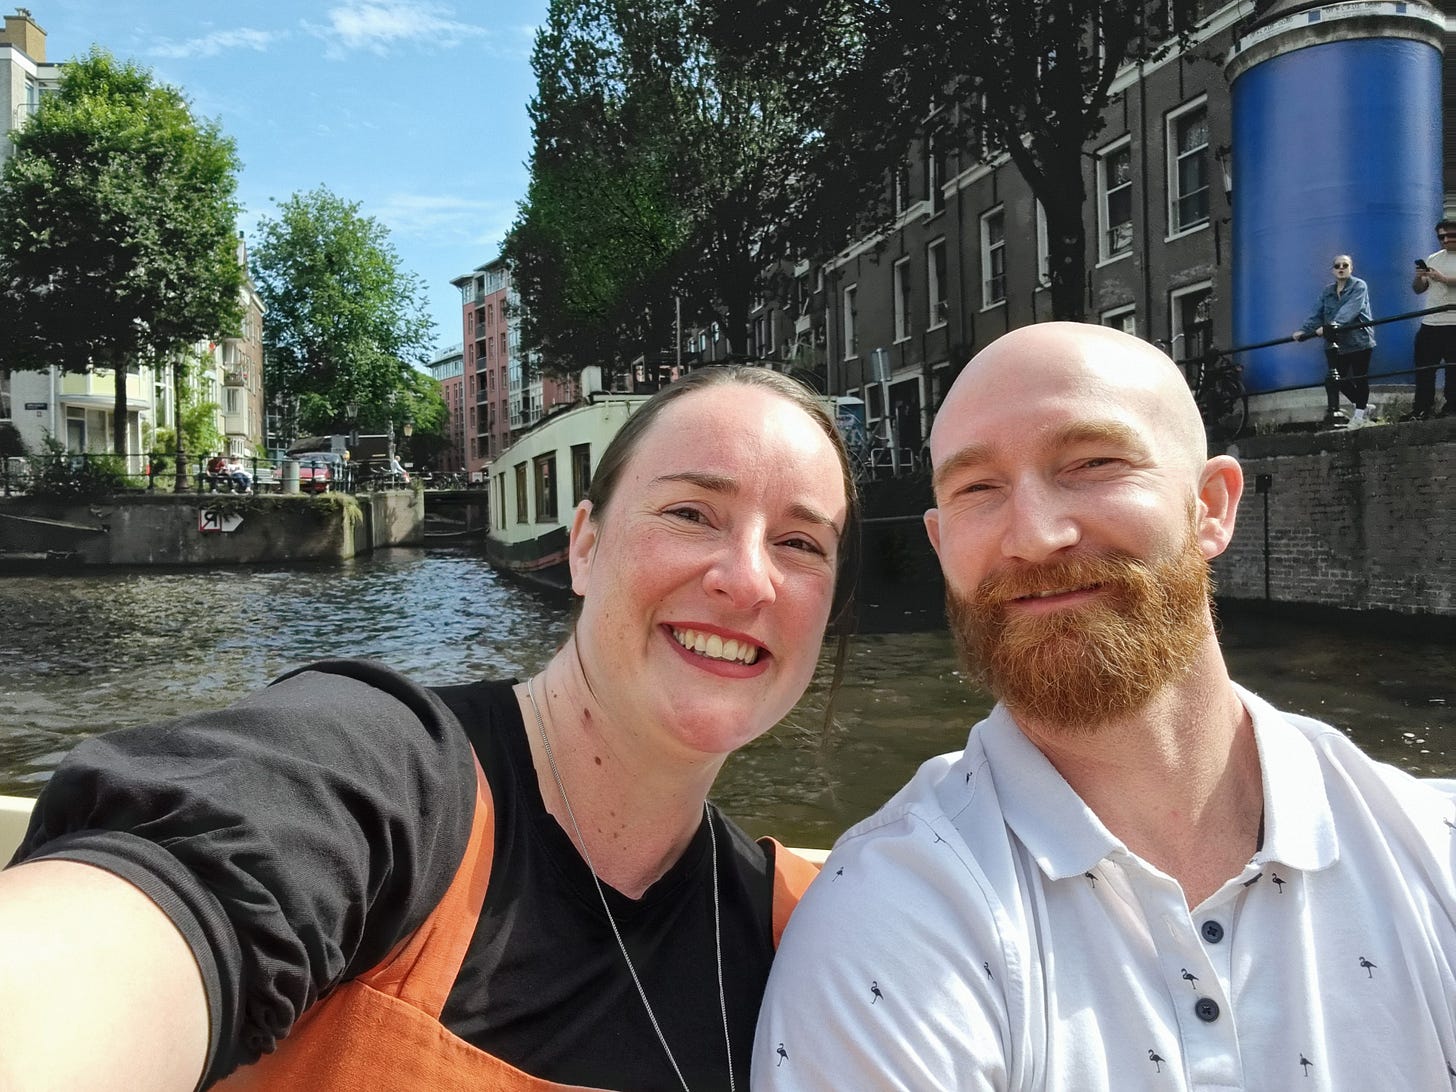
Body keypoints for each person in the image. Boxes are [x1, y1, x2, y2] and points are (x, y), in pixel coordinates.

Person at [0, 365, 859, 1091]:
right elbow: (115, 945)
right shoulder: (386, 774)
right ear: (585, 547)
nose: (749, 581)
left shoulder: (808, 932)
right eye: (690, 514)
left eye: (800, 544)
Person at [753, 323, 1456, 1090]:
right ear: (939, 542)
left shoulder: (1434, 855)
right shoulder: (887, 925)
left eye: (1092, 463)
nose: (1036, 536)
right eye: (978, 489)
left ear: (1211, 506)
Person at [1292, 253, 1376, 428]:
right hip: (1339, 343)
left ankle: (1359, 415)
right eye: (1337, 266)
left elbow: (1351, 308)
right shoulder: (1328, 291)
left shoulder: (1359, 286)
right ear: (1332, 270)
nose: (1341, 269)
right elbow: (1317, 312)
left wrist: (1332, 325)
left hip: (1359, 339)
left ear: (1351, 268)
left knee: (1360, 377)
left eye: (1345, 265)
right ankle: (1363, 406)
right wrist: (1304, 330)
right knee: (1338, 379)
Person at [1408, 218, 1456, 419]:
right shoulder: (1434, 258)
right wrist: (1420, 277)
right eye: (1441, 236)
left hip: (1454, 321)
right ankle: (1421, 408)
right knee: (1425, 368)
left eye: (1450, 235)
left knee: (1453, 371)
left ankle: (1451, 408)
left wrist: (1443, 279)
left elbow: (1443, 281)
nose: (1445, 240)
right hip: (1431, 321)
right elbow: (1419, 289)